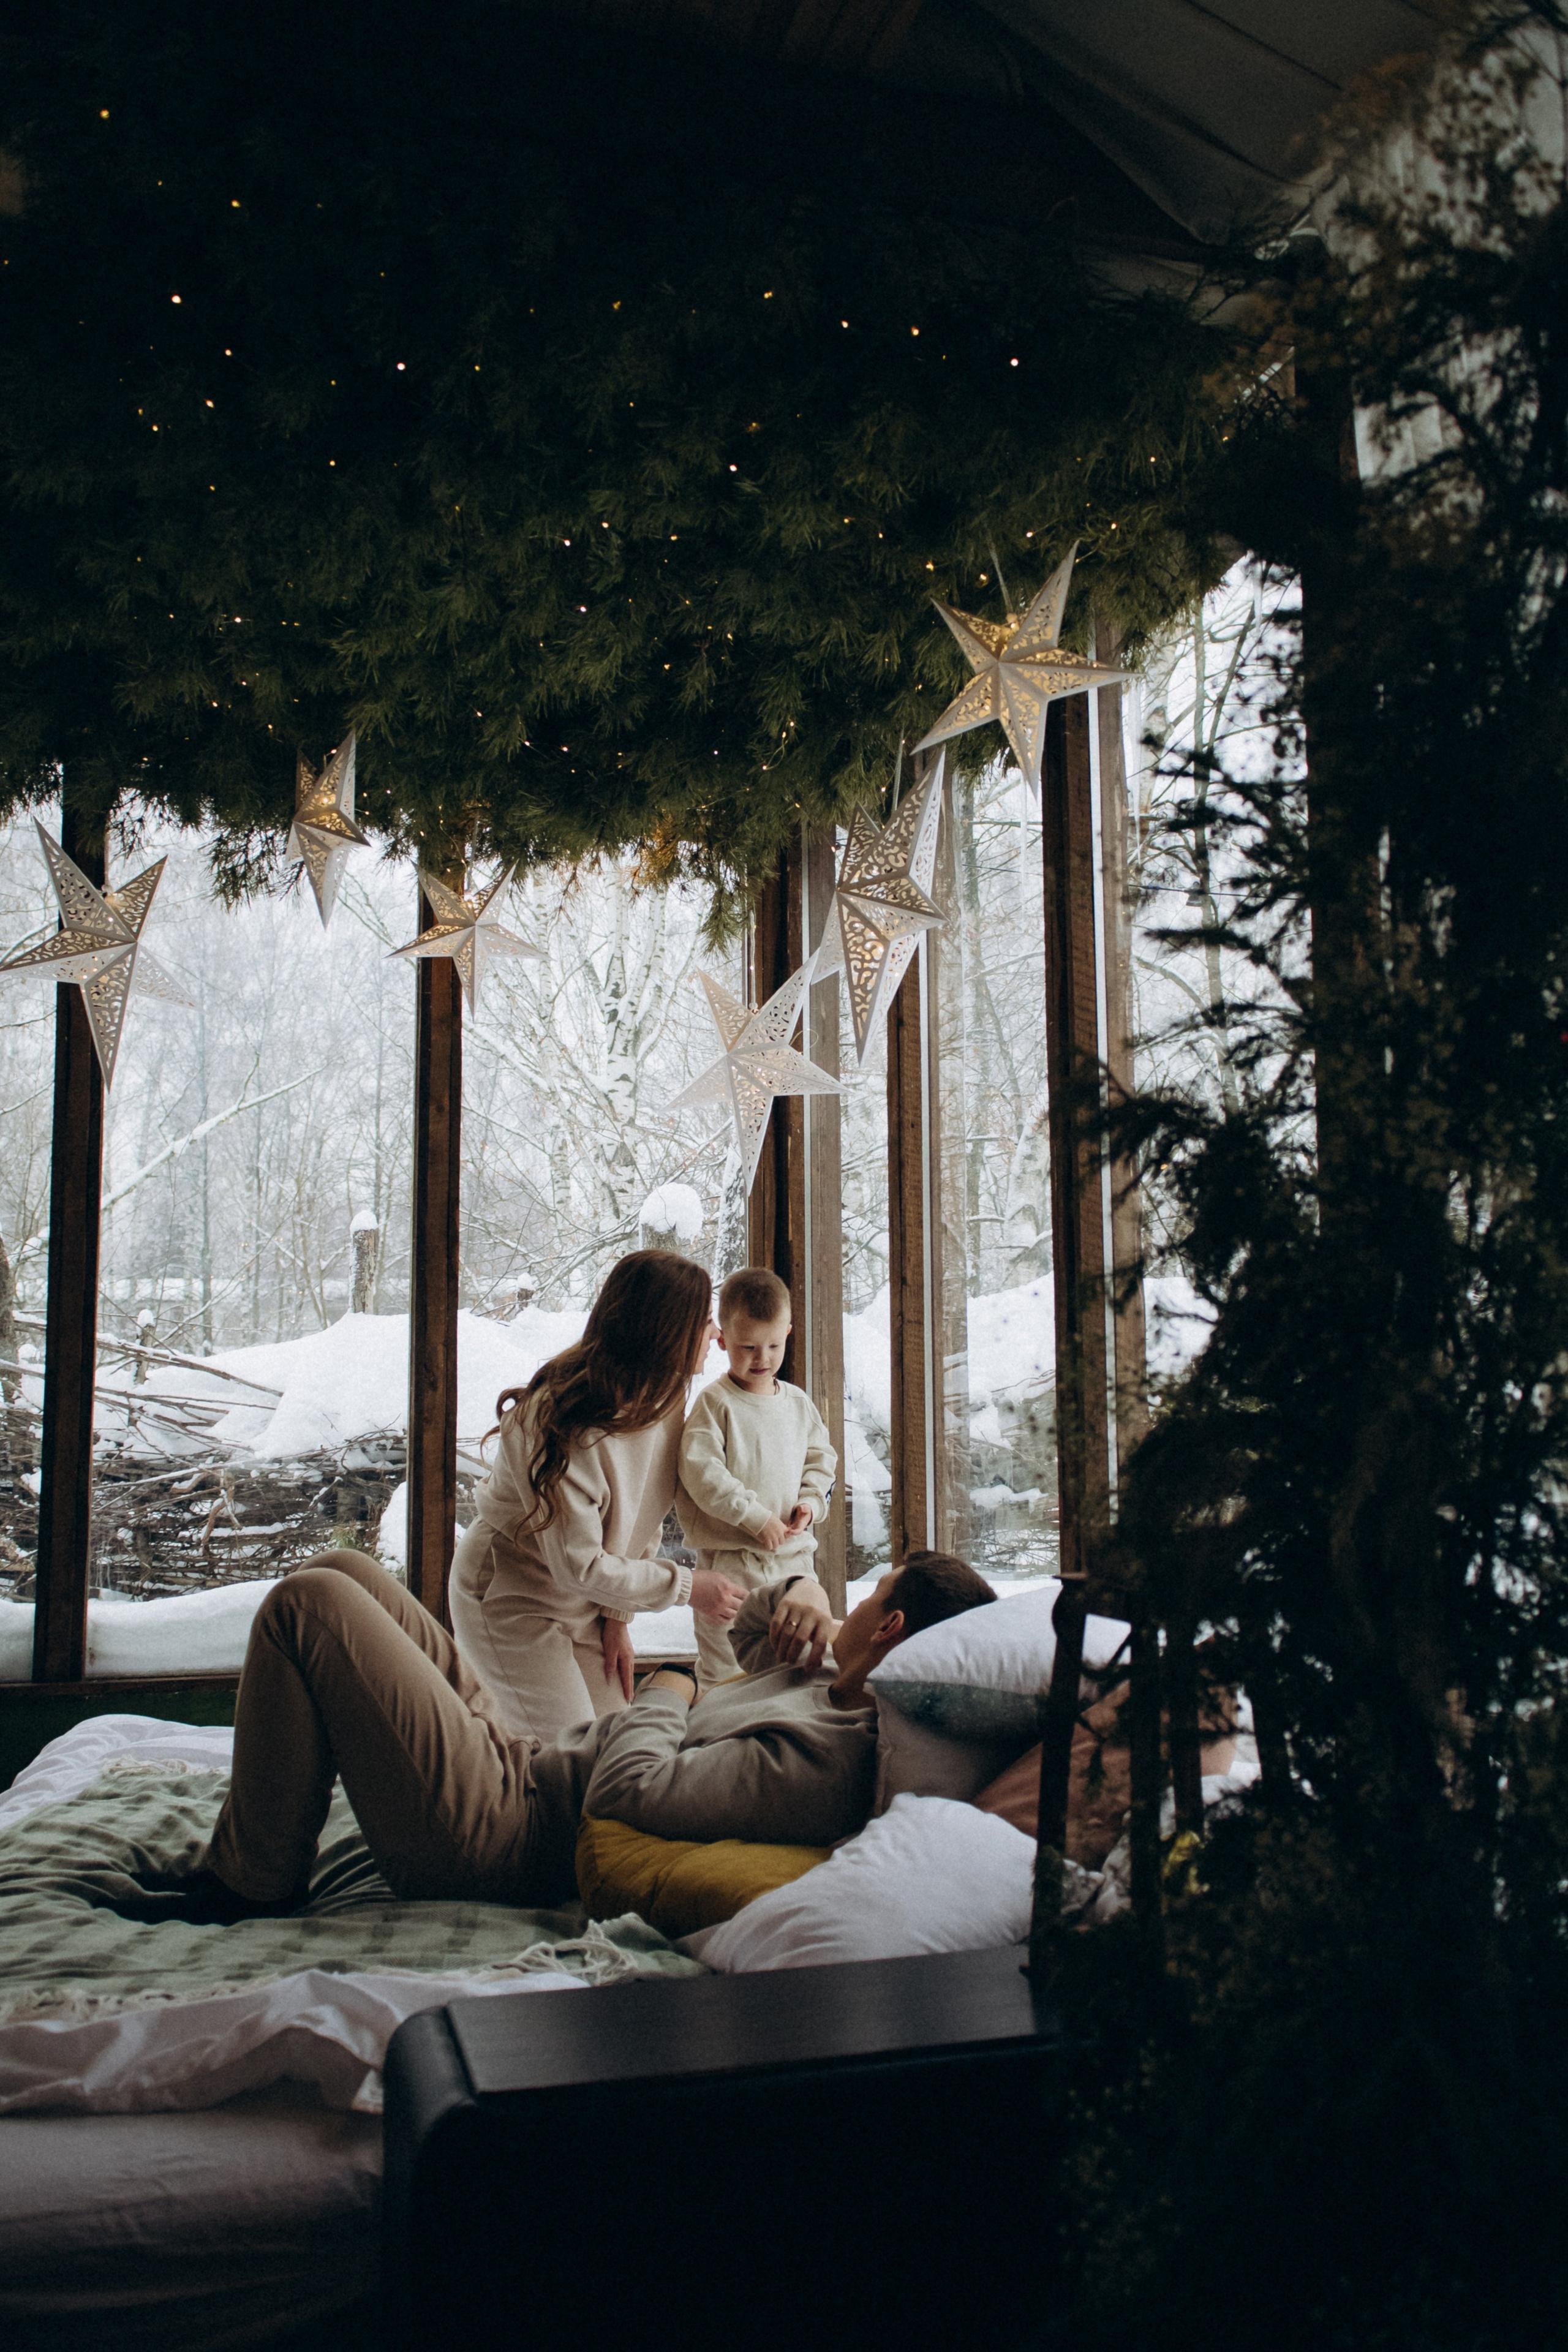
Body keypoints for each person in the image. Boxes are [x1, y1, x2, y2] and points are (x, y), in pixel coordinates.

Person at [180, 1545, 995, 1921]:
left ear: (888, 1626)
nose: (850, 1607)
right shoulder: (829, 1683)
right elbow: (750, 1632)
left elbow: (631, 1789)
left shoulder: (828, 1759)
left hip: (503, 1837)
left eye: (868, 1593)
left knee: (306, 1613)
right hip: (527, 1766)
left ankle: (255, 1878)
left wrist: (667, 1686)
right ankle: (268, 1837)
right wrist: (800, 1596)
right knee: (341, 1569)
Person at [448, 1251, 746, 1742]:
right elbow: (580, 1565)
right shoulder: (559, 1421)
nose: (716, 1334)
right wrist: (690, 1588)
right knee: (571, 1764)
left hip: (587, 1602)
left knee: (614, 1751)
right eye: (704, 1320)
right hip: (511, 1595)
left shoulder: (665, 1397)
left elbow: (643, 1520)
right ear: (664, 1328)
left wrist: (617, 1619)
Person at [676, 1265, 837, 1690]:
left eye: (772, 1345)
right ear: (724, 1339)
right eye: (747, 1347)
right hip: (732, 1566)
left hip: (794, 1564)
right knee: (725, 1674)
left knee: (797, 1667)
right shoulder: (715, 1404)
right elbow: (701, 1473)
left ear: (788, 1330)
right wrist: (753, 1518)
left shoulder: (799, 1405)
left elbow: (822, 1462)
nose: (762, 1358)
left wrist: (811, 1504)